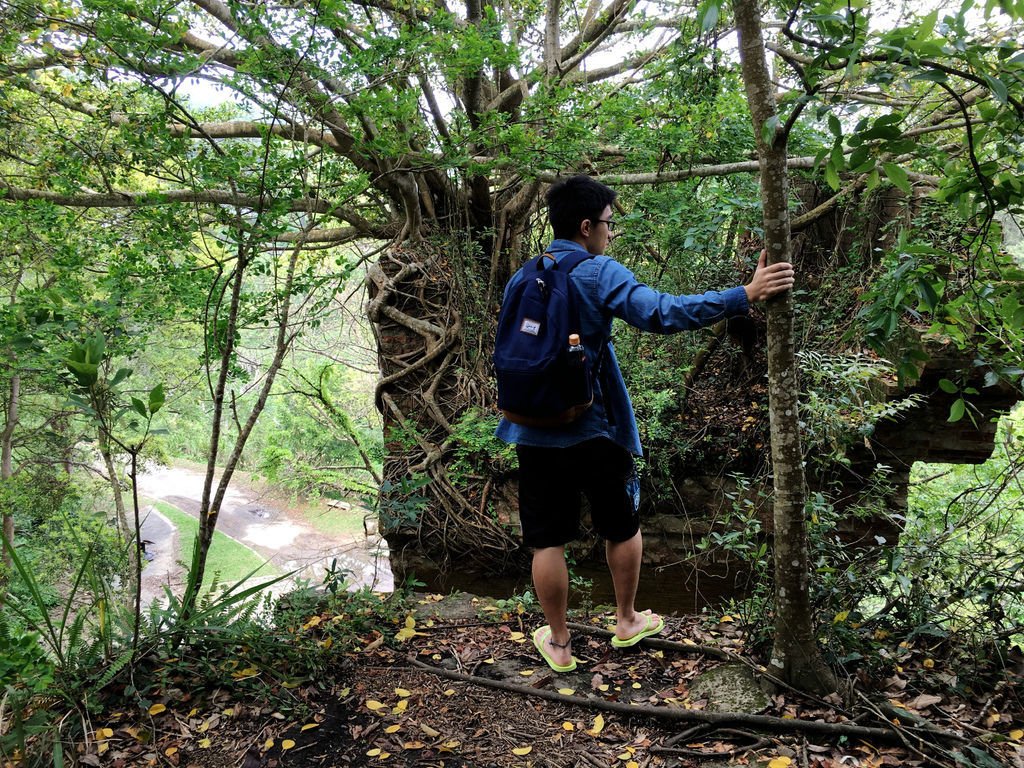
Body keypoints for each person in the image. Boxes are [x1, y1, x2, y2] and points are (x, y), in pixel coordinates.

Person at [495, 174, 795, 672]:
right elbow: (663, 313)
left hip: (531, 427)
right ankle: (627, 620)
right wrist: (745, 293)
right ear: (586, 226)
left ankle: (561, 644)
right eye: (608, 225)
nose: (611, 235)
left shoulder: (523, 275)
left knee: (547, 539)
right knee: (621, 524)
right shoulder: (596, 272)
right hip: (596, 425)